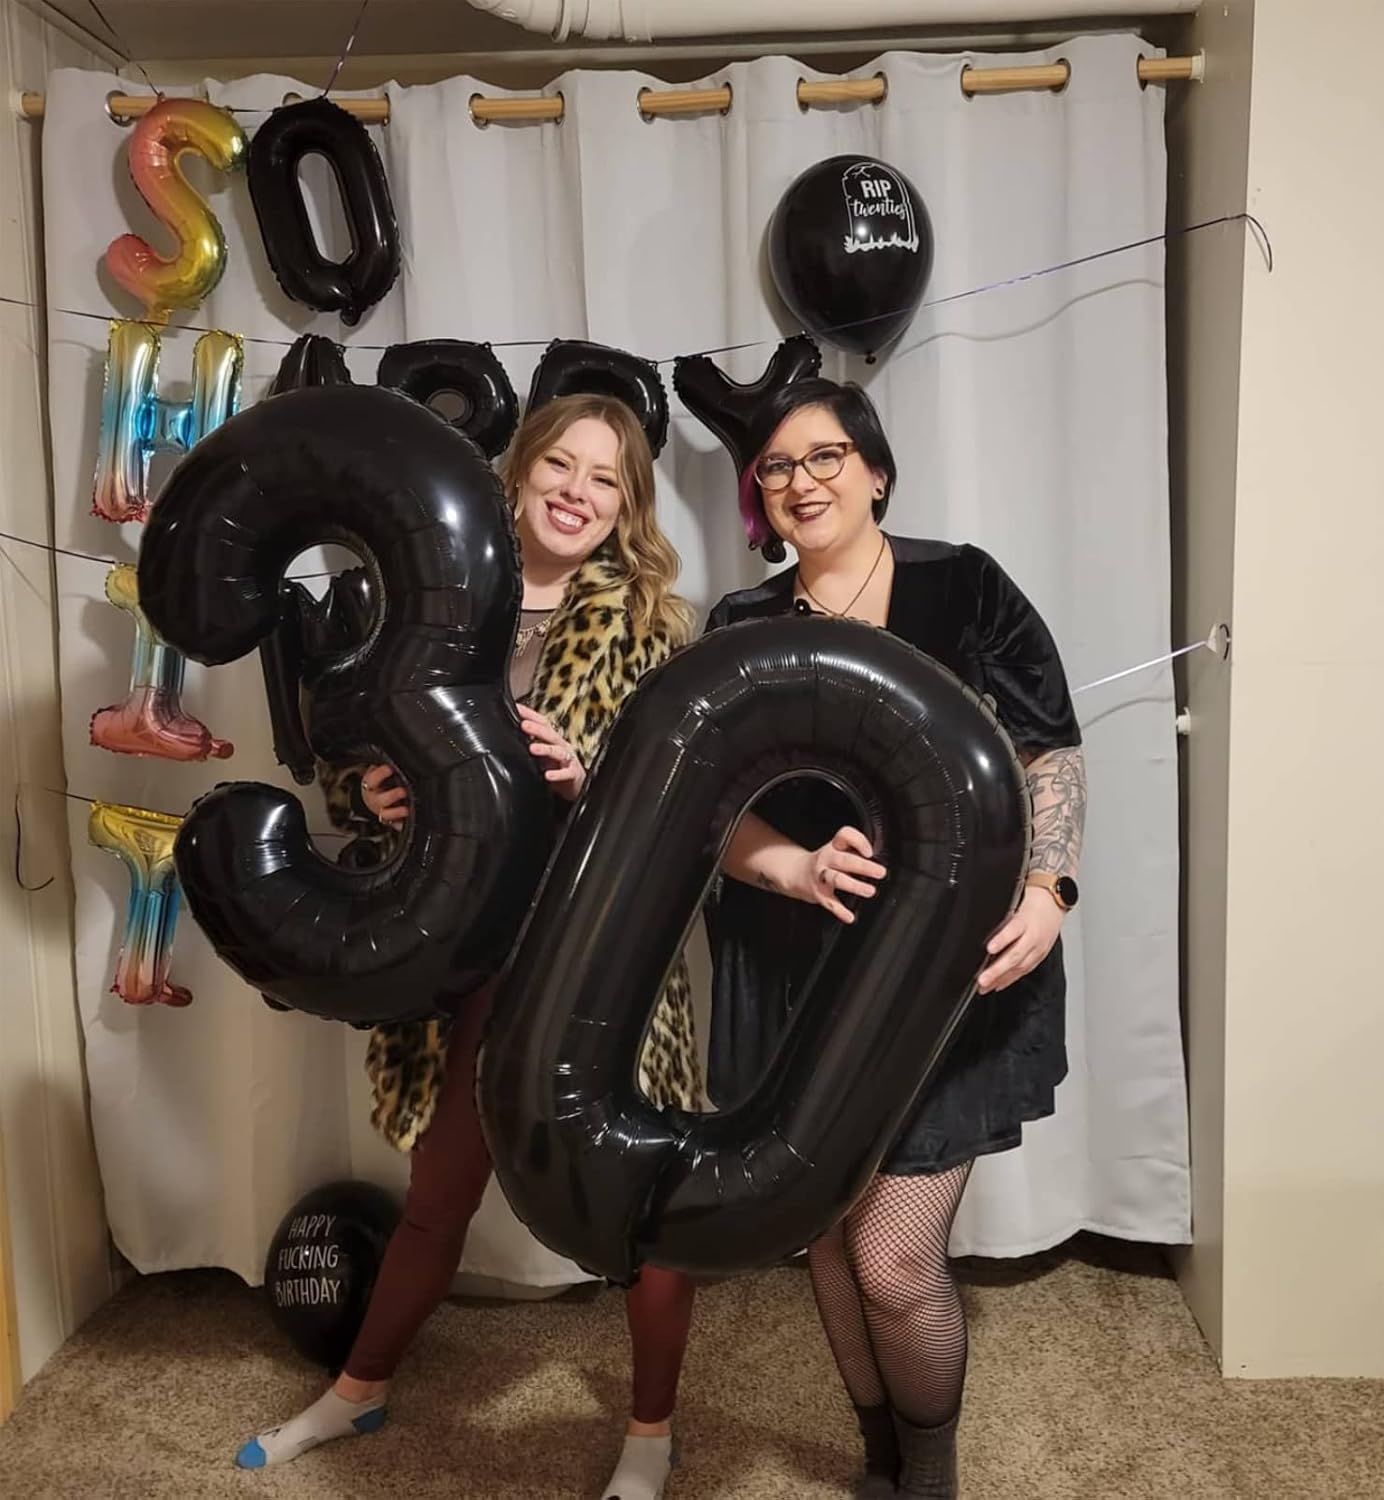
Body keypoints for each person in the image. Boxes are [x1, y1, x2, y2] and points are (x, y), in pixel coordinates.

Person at [236, 392, 704, 1500]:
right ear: (518, 470)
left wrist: (590, 780)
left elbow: (681, 803)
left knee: (639, 1201)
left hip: (594, 951)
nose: (578, 491)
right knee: (440, 1189)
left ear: (627, 505)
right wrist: (370, 791)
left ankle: (651, 1431)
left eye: (605, 478)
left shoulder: (655, 624)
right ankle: (358, 1390)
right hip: (461, 947)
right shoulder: (429, 595)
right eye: (561, 465)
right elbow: (348, 749)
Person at [702, 379, 1089, 1499]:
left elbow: (1049, 750)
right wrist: (794, 863)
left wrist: (1050, 890)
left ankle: (928, 1475)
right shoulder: (740, 626)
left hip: (947, 974)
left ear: (875, 472)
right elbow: (710, 808)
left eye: (825, 456)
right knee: (823, 1231)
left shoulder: (966, 586)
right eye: (777, 466)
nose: (801, 481)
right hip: (795, 974)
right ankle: (878, 1458)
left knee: (891, 1256)